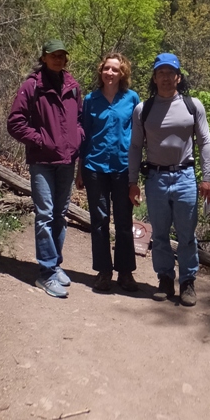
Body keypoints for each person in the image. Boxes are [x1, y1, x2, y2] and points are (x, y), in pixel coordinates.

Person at [128, 53, 210, 307]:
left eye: (170, 73)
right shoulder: (143, 110)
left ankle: (187, 282)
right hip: (155, 178)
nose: (166, 78)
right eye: (160, 73)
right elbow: (135, 147)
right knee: (161, 234)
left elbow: (205, 142)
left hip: (186, 177)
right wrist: (132, 181)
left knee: (187, 234)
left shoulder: (193, 106)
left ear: (178, 77)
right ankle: (165, 279)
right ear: (154, 78)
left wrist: (207, 178)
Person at [7, 39, 83, 298]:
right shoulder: (32, 86)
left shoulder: (72, 86)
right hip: (42, 161)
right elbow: (15, 123)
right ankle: (45, 273)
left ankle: (55, 264)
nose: (58, 59)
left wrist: (76, 140)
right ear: (44, 57)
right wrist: (41, 140)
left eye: (62, 55)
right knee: (45, 215)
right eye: (53, 55)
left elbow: (80, 120)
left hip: (66, 161)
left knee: (61, 214)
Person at [76, 53, 140, 293]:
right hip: (95, 167)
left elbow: (139, 136)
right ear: (101, 71)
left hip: (123, 168)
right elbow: (85, 136)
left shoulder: (132, 99)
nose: (110, 73)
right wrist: (80, 169)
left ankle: (125, 273)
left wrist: (136, 175)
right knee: (100, 220)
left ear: (122, 73)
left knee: (124, 222)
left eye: (115, 69)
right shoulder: (91, 100)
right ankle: (104, 271)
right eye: (107, 69)